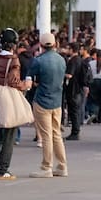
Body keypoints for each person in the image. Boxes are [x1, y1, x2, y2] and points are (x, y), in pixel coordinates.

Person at [27, 32, 68, 177]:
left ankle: (46, 167)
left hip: (42, 100)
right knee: (56, 134)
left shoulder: (38, 61)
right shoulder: (62, 60)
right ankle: (62, 166)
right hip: (57, 101)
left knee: (45, 136)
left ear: (41, 45)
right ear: (55, 44)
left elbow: (29, 80)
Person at [0, 28, 25, 180]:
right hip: (8, 99)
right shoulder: (13, 60)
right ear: (13, 44)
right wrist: (25, 85)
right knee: (9, 136)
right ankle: (3, 170)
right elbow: (13, 81)